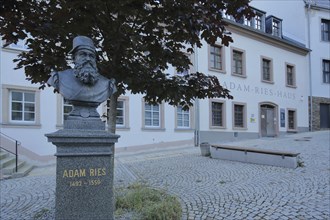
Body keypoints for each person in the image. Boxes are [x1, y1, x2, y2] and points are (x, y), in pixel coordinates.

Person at [47, 36, 116, 118]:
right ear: (74, 58)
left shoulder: (107, 84)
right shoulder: (59, 78)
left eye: (91, 56)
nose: (88, 59)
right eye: (82, 54)